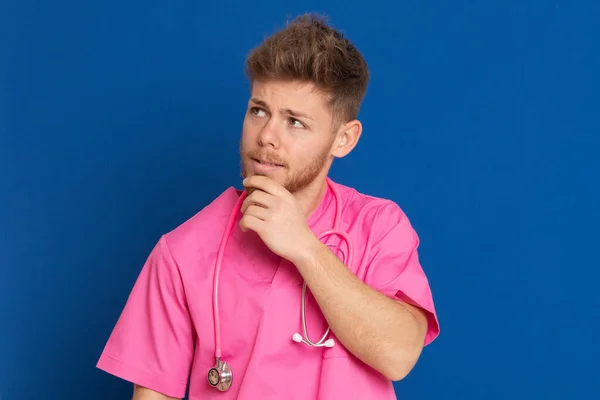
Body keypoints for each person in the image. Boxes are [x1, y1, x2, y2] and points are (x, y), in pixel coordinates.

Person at [96, 13, 440, 400]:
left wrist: (306, 249)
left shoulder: (379, 226)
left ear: (343, 139)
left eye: (295, 122)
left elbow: (399, 355)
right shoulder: (182, 251)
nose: (266, 137)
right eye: (259, 110)